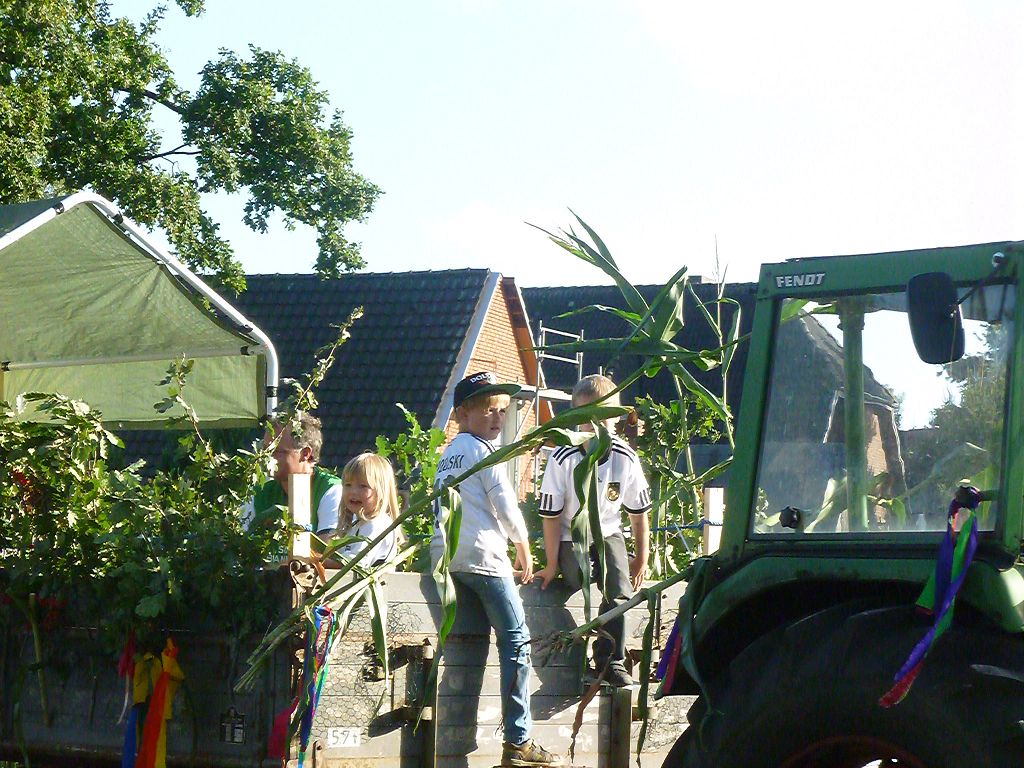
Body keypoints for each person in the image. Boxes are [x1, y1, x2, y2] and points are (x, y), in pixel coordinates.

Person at [430, 371, 563, 767]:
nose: (497, 418)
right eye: (488, 409)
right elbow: (504, 503)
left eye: (502, 411)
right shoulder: (484, 452)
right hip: (485, 559)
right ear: (462, 413)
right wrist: (523, 546)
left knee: (473, 641)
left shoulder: (448, 455)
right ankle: (518, 740)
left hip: (450, 558)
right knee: (517, 643)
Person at [534, 374, 652, 688]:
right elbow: (550, 516)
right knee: (578, 578)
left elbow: (638, 514)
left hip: (609, 532)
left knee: (619, 590)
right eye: (588, 417)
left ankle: (609, 661)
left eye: (605, 415)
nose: (596, 423)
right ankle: (574, 655)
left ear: (616, 417)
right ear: (576, 417)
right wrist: (551, 563)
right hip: (571, 534)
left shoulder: (625, 458)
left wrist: (642, 558)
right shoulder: (563, 458)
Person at [243, 412, 342, 539]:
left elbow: (327, 549)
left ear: (305, 453)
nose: (266, 457)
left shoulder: (331, 491)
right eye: (265, 450)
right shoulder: (258, 494)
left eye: (276, 451)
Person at [335, 452, 401, 568]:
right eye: (348, 485)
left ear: (381, 491)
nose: (353, 492)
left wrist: (319, 562)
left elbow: (355, 563)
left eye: (363, 486)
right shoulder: (357, 524)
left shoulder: (376, 524)